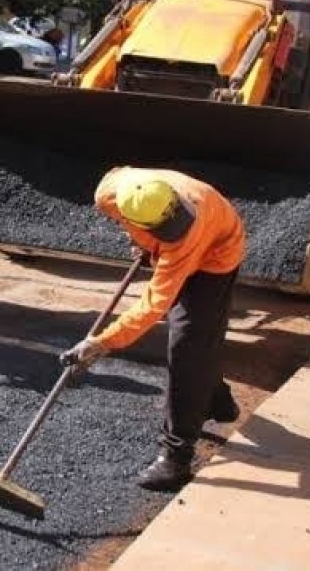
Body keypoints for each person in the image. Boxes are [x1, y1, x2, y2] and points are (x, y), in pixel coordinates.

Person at [61, 167, 246, 492]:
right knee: (200, 341)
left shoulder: (189, 228)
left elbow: (153, 305)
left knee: (187, 346)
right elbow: (137, 224)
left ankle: (175, 459)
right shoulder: (109, 193)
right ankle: (217, 401)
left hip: (217, 253)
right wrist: (144, 241)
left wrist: (102, 342)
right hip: (179, 244)